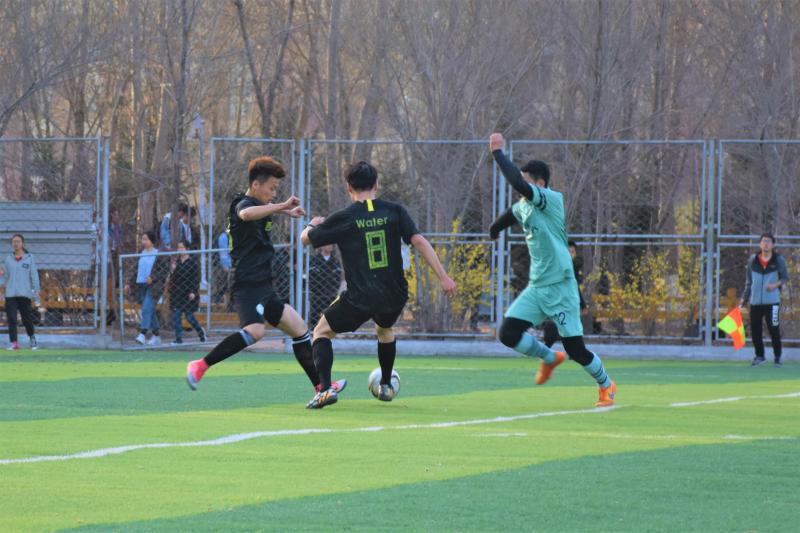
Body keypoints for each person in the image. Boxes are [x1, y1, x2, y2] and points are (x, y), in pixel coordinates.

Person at [185, 156, 347, 399]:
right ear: (255, 185)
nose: (274, 193)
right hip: (247, 284)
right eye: (271, 188)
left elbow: (258, 214)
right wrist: (282, 206)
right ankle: (200, 365)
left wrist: (288, 212)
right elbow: (246, 214)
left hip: (265, 285)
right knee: (255, 331)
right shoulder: (242, 203)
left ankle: (321, 387)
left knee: (299, 329)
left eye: (276, 189)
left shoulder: (260, 206)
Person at [301, 161, 456, 408]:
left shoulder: (346, 217)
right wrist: (444, 277)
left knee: (321, 332)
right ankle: (385, 385)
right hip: (394, 293)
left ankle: (326, 389)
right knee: (384, 329)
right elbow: (419, 241)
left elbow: (305, 240)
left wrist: (312, 224)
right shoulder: (395, 211)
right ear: (376, 185)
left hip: (361, 295)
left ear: (349, 187)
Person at [488, 133, 616, 407]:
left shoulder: (551, 199)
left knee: (576, 350)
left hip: (561, 287)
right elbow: (511, 214)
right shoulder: (524, 206)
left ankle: (606, 384)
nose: (521, 187)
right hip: (537, 287)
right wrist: (494, 230)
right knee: (507, 333)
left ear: (540, 184)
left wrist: (498, 153)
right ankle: (549, 357)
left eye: (526, 181)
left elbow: (517, 183)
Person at [739, 232, 789, 367]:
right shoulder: (753, 260)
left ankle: (777, 357)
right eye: (764, 241)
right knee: (755, 331)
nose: (766, 244)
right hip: (755, 302)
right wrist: (744, 298)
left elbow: (784, 277)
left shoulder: (778, 260)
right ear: (760, 244)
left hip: (773, 302)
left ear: (773, 245)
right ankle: (760, 356)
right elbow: (749, 281)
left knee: (774, 329)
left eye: (768, 241)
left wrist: (774, 285)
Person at [539, 240, 587, 348]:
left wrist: (582, 305)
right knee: (559, 324)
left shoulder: (573, 268)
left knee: (569, 327)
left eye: (572, 252)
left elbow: (574, 288)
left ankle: (573, 349)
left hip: (568, 303)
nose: (570, 255)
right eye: (567, 252)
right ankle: (548, 342)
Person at [125, 231, 169, 346]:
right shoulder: (140, 253)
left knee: (146, 309)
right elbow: (134, 269)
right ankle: (156, 336)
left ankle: (142, 334)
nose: (143, 241)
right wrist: (128, 283)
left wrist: (153, 278)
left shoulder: (159, 254)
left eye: (146, 239)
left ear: (152, 241)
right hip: (140, 286)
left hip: (153, 287)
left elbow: (164, 271)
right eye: (142, 239)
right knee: (150, 310)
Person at [0, 234, 41, 350]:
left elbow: (34, 276)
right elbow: (5, 277)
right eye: (14, 242)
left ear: (23, 243)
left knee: (26, 319)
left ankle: (32, 338)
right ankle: (14, 343)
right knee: (12, 319)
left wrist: (36, 291)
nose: (16, 244)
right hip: (10, 295)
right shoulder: (8, 259)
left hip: (25, 294)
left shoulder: (30, 258)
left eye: (18, 241)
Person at [169, 240, 206, 345]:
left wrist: (193, 292)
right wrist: (173, 270)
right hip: (177, 293)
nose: (180, 250)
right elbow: (173, 279)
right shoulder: (177, 262)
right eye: (178, 248)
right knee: (176, 316)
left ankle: (201, 333)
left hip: (188, 293)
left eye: (182, 247)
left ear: (187, 249)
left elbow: (196, 279)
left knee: (189, 317)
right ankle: (178, 339)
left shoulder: (193, 263)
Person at [308, 244, 342, 328]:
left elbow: (338, 278)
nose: (329, 246)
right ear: (321, 246)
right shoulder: (314, 260)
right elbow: (311, 278)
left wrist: (333, 290)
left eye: (331, 245)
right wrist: (316, 290)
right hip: (317, 294)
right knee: (315, 315)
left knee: (331, 314)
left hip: (331, 293)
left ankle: (330, 329)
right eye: (327, 244)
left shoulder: (335, 261)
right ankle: (313, 330)